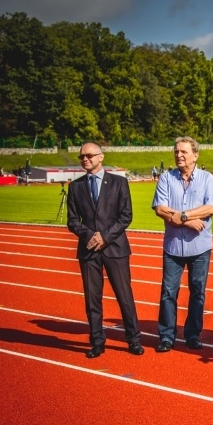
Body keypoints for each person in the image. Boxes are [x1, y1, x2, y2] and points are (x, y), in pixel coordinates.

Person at [66, 142, 143, 358]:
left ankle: (133, 339)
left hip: (115, 248)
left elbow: (126, 215)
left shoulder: (119, 182)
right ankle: (97, 341)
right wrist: (90, 235)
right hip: (89, 250)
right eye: (81, 156)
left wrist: (105, 236)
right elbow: (72, 221)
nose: (85, 159)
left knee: (124, 296)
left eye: (89, 155)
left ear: (101, 157)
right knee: (92, 299)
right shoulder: (76, 186)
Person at [152, 136, 213, 352]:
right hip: (173, 246)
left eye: (183, 151)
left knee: (197, 291)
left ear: (195, 155)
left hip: (199, 247)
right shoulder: (166, 178)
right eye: (176, 151)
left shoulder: (207, 178)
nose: (179, 155)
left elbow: (211, 207)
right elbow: (160, 209)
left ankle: (192, 334)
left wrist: (182, 216)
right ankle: (166, 336)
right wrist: (188, 220)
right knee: (168, 292)